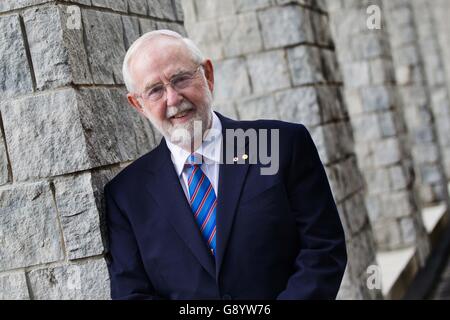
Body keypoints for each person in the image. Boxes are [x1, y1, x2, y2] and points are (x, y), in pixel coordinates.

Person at [104, 29, 347, 300]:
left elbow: (323, 249)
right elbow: (131, 294)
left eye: (181, 78)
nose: (172, 99)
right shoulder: (126, 195)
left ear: (208, 75)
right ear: (138, 104)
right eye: (155, 90)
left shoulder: (278, 145)